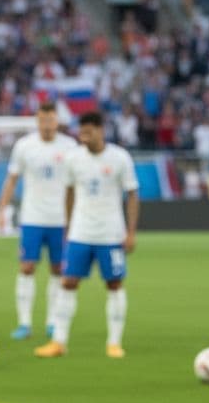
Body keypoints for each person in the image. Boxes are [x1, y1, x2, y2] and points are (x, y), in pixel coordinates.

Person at [34, 111, 139, 359]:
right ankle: (59, 341)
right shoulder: (73, 159)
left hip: (111, 234)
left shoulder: (119, 158)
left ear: (101, 131)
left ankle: (114, 342)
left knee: (114, 284)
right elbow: (69, 192)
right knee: (68, 282)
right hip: (80, 232)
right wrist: (68, 226)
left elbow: (132, 194)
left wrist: (131, 232)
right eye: (81, 132)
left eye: (88, 132)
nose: (83, 136)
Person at [0, 101, 77, 340]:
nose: (46, 125)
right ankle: (24, 323)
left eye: (51, 120)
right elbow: (11, 179)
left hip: (60, 219)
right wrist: (2, 209)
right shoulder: (24, 146)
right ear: (37, 121)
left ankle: (52, 321)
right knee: (27, 267)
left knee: (57, 269)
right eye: (42, 120)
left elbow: (76, 183)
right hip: (32, 217)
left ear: (57, 121)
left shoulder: (70, 146)